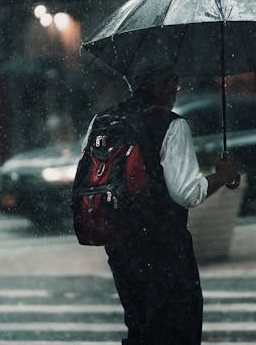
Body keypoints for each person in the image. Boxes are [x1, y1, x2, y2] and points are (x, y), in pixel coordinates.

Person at [80, 66, 240, 344]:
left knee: (140, 327)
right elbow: (187, 193)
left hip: (121, 249)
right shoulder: (171, 125)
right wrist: (222, 176)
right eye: (171, 81)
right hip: (165, 249)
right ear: (160, 84)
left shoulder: (101, 121)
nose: (174, 88)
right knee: (178, 330)